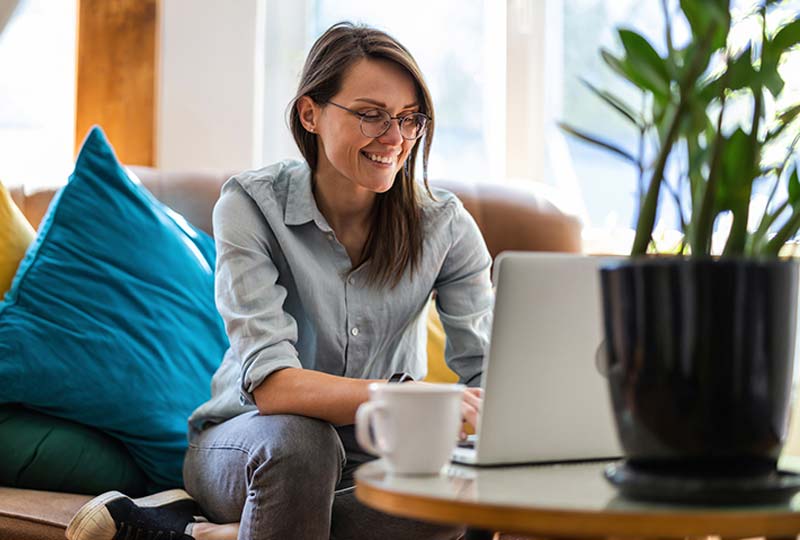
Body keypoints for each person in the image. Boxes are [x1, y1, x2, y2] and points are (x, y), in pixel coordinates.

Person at [67, 21, 493, 540]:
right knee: (302, 443)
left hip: (379, 455)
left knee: (458, 499)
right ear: (310, 113)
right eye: (371, 115)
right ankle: (253, 516)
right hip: (248, 443)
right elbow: (273, 386)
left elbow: (488, 372)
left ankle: (209, 531)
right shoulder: (249, 206)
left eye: (409, 119)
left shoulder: (444, 226)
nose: (395, 138)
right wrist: (404, 398)